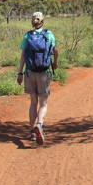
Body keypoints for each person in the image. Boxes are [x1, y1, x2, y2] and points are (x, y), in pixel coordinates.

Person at [17, 11, 58, 145]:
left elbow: (23, 56)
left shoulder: (27, 35)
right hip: (44, 72)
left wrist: (20, 73)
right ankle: (39, 125)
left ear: (32, 22)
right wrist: (55, 63)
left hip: (30, 72)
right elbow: (55, 50)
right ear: (43, 21)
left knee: (33, 103)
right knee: (43, 103)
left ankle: (32, 133)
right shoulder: (48, 34)